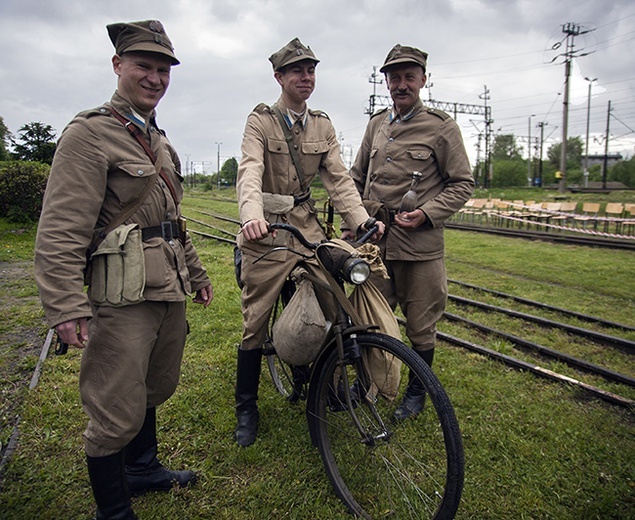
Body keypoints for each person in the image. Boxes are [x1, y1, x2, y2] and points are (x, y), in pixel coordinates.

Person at [34, 20, 213, 519]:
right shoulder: (89, 135)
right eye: (144, 67)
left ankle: (143, 468)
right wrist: (66, 304)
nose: (155, 78)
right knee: (115, 401)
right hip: (120, 295)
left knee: (154, 384)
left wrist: (196, 274)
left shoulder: (159, 141)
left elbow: (172, 222)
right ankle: (113, 511)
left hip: (165, 286)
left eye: (163, 70)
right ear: (118, 66)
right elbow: (61, 229)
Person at [234, 37, 385, 448]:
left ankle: (329, 382)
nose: (306, 77)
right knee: (256, 317)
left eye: (311, 70)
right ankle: (246, 406)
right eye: (297, 70)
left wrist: (361, 219)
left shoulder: (322, 124)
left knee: (335, 295)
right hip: (267, 230)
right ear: (279, 77)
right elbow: (249, 172)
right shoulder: (261, 121)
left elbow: (338, 180)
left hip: (306, 224)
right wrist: (251, 218)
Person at [346, 44, 474, 421]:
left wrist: (426, 213)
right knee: (367, 317)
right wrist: (353, 221)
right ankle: (366, 384)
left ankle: (417, 393)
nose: (401, 84)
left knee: (421, 325)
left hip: (419, 247)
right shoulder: (376, 124)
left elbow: (462, 183)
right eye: (394, 77)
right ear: (385, 81)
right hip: (374, 245)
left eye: (409, 77)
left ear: (422, 79)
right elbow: (354, 179)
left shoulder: (441, 127)